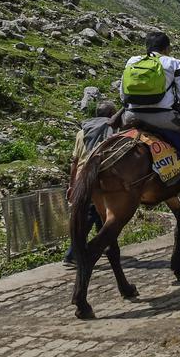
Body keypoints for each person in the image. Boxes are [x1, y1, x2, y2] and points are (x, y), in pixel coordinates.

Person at [120, 31, 180, 202]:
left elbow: (122, 94)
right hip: (163, 119)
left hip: (130, 117)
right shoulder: (174, 63)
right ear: (167, 48)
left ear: (147, 47)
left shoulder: (132, 61)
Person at [64, 100, 116, 266]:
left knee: (100, 216)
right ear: (110, 115)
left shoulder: (82, 132)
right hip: (96, 179)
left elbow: (75, 161)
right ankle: (72, 254)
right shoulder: (112, 130)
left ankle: (105, 248)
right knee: (92, 214)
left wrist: (71, 185)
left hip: (81, 178)